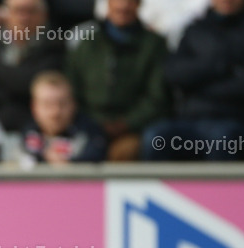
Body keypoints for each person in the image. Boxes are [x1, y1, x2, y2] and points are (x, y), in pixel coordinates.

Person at [140, 0, 244, 162]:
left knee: (222, 140)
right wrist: (218, 67)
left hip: (233, 120)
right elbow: (173, 73)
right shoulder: (195, 30)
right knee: (155, 137)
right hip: (189, 119)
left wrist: (199, 86)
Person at [66, 0, 168, 161]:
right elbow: (71, 90)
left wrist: (126, 123)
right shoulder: (87, 43)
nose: (122, 6)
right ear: (108, 4)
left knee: (124, 153)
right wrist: (91, 122)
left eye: (129, 2)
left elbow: (157, 97)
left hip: (133, 129)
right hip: (87, 126)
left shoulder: (154, 45)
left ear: (138, 5)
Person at [0, 0, 65, 131]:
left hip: (31, 128)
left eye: (30, 11)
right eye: (18, 11)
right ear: (5, 14)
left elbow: (31, 83)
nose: (24, 17)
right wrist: (12, 82)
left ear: (44, 15)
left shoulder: (54, 44)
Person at [19, 70, 107, 164]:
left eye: (62, 104)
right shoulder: (26, 134)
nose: (55, 112)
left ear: (74, 104)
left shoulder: (91, 135)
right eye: (47, 104)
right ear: (34, 107)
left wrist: (69, 164)